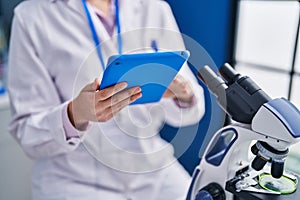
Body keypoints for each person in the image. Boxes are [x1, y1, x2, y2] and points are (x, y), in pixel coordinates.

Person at [8, 0, 205, 199]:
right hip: (74, 178)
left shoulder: (154, 8)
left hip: (152, 168)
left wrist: (184, 95)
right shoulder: (30, 16)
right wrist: (76, 114)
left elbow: (192, 111)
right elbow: (27, 132)